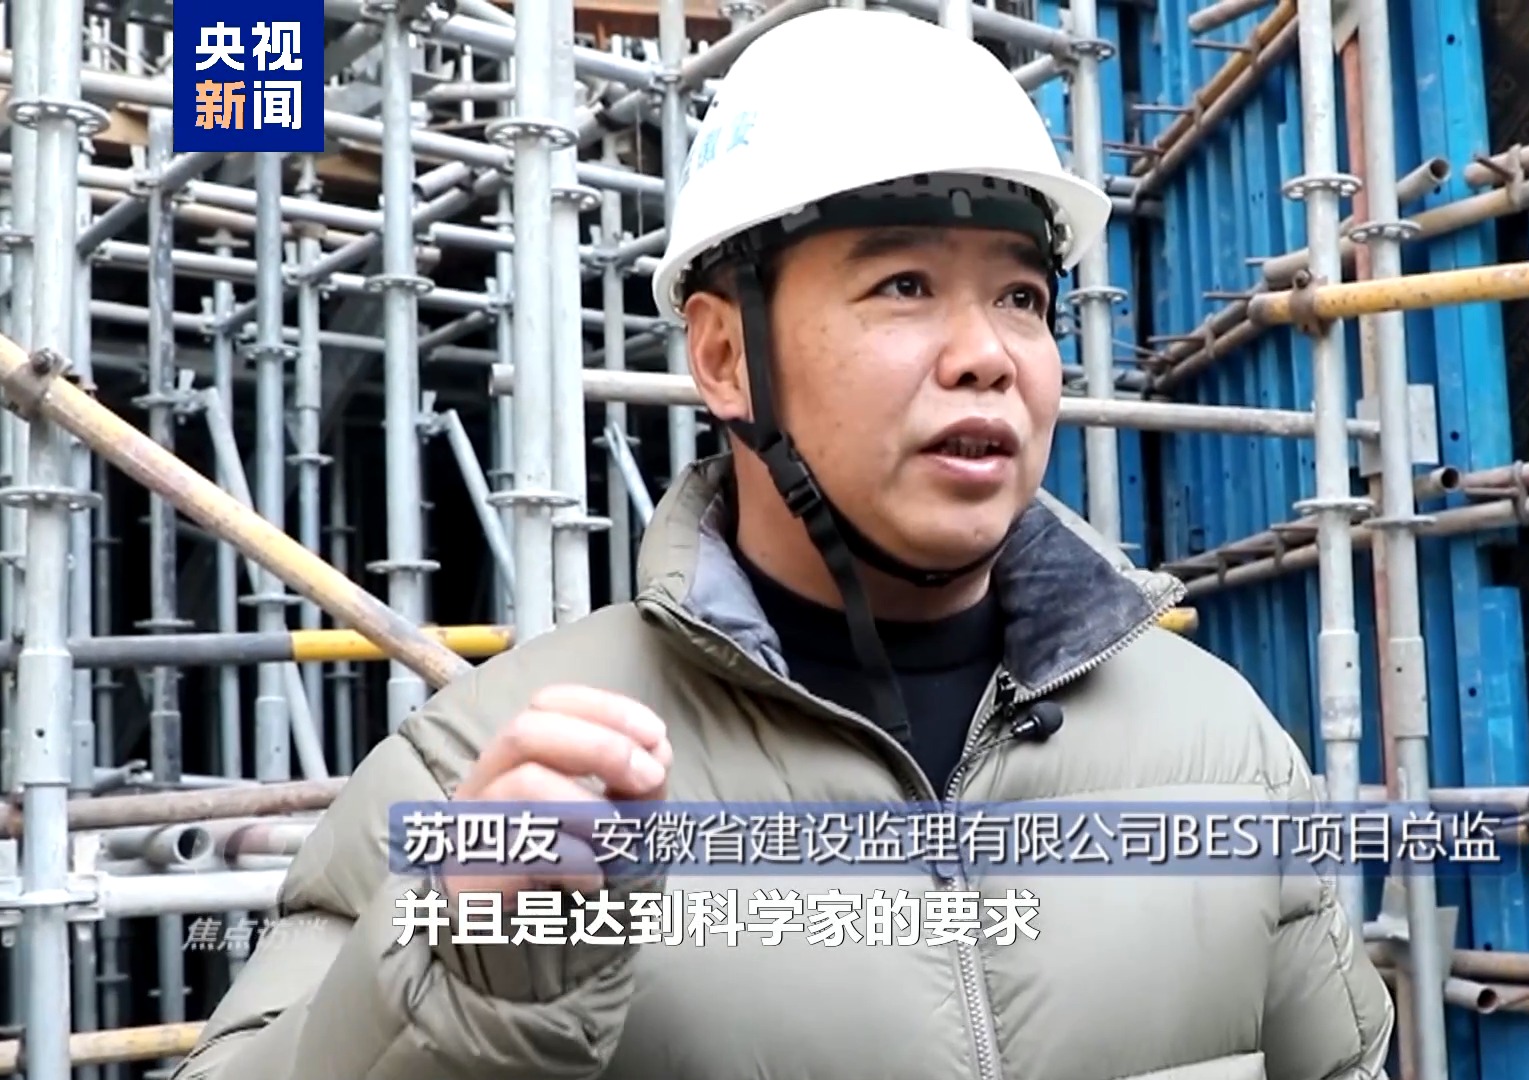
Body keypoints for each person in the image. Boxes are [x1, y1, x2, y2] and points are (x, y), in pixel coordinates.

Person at [171, 8, 1393, 1080]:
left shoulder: (1221, 747)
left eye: (1021, 298)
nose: (987, 354)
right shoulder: (486, 776)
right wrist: (470, 977)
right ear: (723, 356)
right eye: (903, 286)